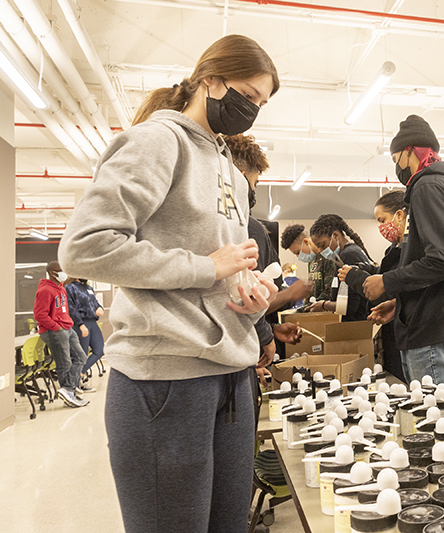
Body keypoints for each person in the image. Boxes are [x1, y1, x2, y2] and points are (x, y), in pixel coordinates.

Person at [59, 34, 281, 532]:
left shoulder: (225, 162)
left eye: (261, 103)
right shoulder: (158, 142)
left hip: (230, 375)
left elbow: (220, 262)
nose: (253, 109)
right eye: (248, 94)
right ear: (212, 81)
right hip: (166, 380)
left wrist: (245, 291)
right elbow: (85, 247)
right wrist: (209, 269)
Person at [364, 115, 444, 393]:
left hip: (432, 326)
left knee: (439, 423)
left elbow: (443, 259)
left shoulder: (428, 187)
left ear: (409, 151)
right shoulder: (434, 187)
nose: (396, 166)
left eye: (395, 159)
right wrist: (400, 302)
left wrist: (387, 282)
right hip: (425, 320)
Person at [223, 133, 307, 370]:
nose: (253, 190)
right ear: (240, 178)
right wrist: (265, 335)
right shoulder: (246, 228)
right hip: (236, 355)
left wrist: (268, 329)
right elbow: (246, 297)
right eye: (254, 182)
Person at [340, 190, 408, 382]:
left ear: (400, 215)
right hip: (393, 331)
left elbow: (389, 289)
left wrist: (358, 278)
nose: (382, 227)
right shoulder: (393, 249)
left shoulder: (409, 249)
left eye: (382, 220)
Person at [33, 261, 89, 408]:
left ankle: (68, 389)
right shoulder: (45, 290)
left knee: (81, 357)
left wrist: (65, 325)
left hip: (67, 328)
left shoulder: (60, 288)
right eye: (61, 270)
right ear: (53, 273)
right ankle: (70, 394)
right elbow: (40, 315)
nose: (65, 273)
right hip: (55, 331)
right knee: (64, 364)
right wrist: (56, 328)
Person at [308, 214, 373, 322]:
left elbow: (351, 306)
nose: (320, 250)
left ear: (336, 236)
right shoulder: (349, 253)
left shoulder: (348, 256)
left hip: (356, 324)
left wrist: (324, 305)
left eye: (322, 245)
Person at [281, 224, 336, 306]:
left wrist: (314, 305)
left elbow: (330, 291)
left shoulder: (328, 257)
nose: (297, 256)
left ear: (306, 242)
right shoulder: (312, 260)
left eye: (298, 252)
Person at [65, 277, 105, 382]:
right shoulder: (70, 287)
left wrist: (100, 307)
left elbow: (95, 303)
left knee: (100, 350)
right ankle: (75, 383)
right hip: (80, 323)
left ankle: (78, 375)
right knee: (82, 355)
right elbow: (71, 308)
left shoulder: (88, 288)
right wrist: (80, 324)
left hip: (92, 322)